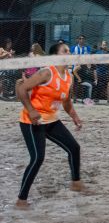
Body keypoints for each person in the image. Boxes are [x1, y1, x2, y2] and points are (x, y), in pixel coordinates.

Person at [15, 42, 84, 208]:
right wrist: (31, 110)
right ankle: (21, 200)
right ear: (55, 56)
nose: (69, 53)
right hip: (32, 121)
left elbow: (66, 102)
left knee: (74, 148)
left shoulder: (68, 77)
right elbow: (21, 89)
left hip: (51, 121)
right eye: (65, 51)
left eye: (69, 51)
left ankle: (76, 183)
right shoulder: (46, 72)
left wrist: (75, 116)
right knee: (37, 158)